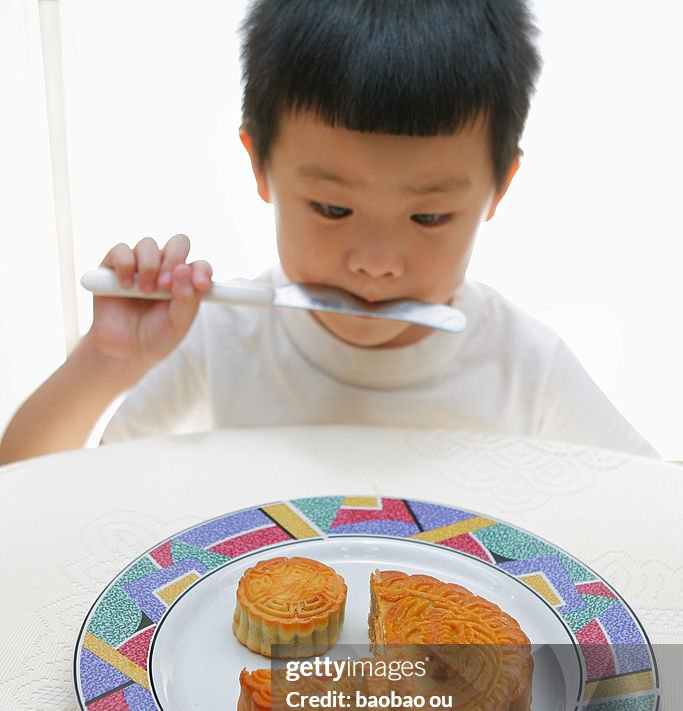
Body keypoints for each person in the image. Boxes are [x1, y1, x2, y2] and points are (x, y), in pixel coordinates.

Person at [0, 0, 656, 465]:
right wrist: (105, 363)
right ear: (259, 165)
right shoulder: (220, 341)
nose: (373, 263)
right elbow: (30, 497)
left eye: (428, 217)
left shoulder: (525, 367)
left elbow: (654, 516)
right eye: (330, 209)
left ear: (498, 190)